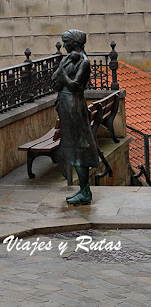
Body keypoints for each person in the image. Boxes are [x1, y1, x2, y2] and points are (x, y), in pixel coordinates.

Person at [51, 29, 100, 205]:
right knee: (73, 147)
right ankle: (83, 190)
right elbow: (55, 82)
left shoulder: (84, 62)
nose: (63, 45)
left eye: (66, 42)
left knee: (79, 148)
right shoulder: (69, 59)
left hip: (74, 105)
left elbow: (73, 86)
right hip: (66, 105)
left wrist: (62, 72)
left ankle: (85, 191)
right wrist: (63, 68)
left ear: (74, 42)